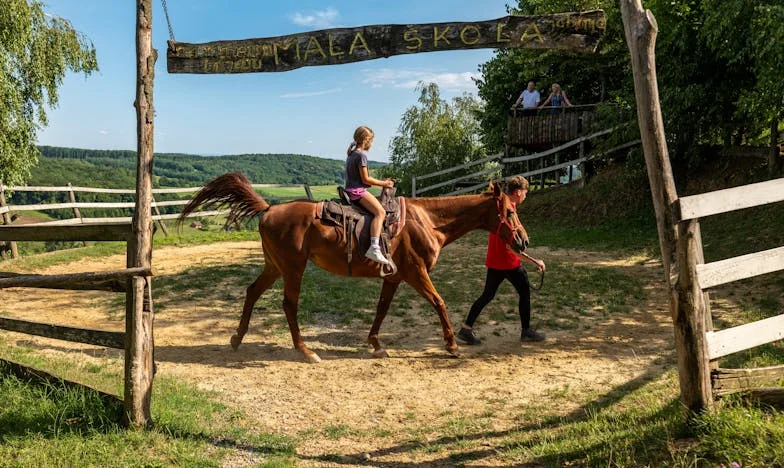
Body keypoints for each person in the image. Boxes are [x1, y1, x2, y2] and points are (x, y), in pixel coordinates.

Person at [457, 176, 547, 345]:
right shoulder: (508, 209)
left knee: (487, 295)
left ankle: (466, 329)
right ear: (518, 192)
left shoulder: (502, 207)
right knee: (524, 292)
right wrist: (535, 262)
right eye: (525, 192)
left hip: (495, 261)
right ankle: (526, 331)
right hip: (508, 263)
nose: (526, 195)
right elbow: (511, 247)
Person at [345, 125, 394, 265]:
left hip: (350, 190)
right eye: (371, 140)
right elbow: (366, 179)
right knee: (381, 212)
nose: (372, 144)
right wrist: (385, 183)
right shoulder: (361, 156)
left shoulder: (351, 154)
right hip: (358, 192)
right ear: (366, 140)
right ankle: (374, 247)